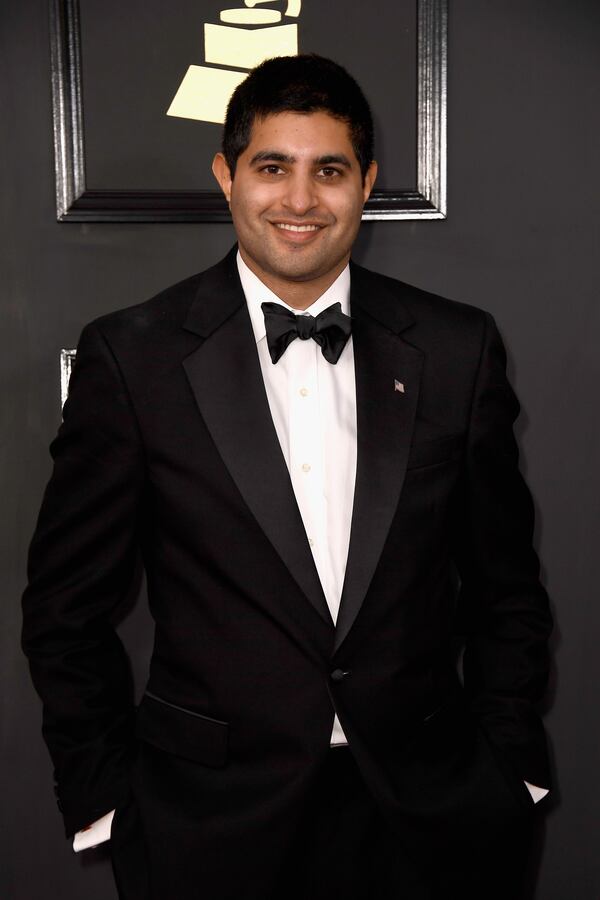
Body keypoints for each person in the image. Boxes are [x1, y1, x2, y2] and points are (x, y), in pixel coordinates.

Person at [22, 54, 552, 900]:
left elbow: (506, 590)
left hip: (432, 820)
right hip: (206, 828)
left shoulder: (458, 349)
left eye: (329, 171)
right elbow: (64, 610)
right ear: (226, 176)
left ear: (367, 182)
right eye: (273, 168)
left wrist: (509, 768)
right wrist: (107, 802)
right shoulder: (134, 356)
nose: (301, 201)